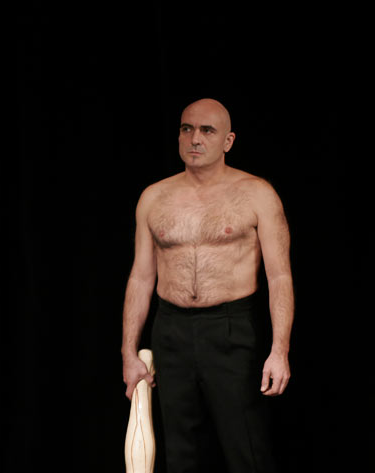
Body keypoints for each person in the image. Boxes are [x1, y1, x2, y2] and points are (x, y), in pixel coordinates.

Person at [121, 98, 293, 472]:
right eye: (187, 129)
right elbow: (141, 277)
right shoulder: (154, 197)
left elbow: (279, 276)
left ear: (228, 141)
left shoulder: (257, 193)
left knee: (246, 447)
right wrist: (128, 352)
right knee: (182, 451)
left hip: (231, 328)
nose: (195, 138)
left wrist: (279, 351)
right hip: (171, 331)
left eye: (207, 130)